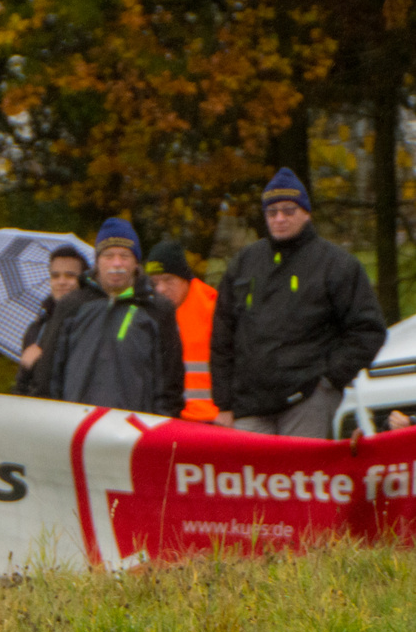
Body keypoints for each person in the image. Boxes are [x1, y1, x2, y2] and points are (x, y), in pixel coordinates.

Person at [209, 168, 387, 437]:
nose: (280, 219)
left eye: (289, 211)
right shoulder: (245, 262)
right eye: (272, 212)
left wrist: (328, 381)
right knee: (250, 477)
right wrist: (223, 402)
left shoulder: (336, 264)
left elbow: (367, 330)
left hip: (307, 401)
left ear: (306, 212)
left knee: (302, 478)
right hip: (249, 406)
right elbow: (223, 336)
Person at [49, 219, 184, 416]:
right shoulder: (72, 306)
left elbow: (170, 382)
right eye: (109, 255)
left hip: (134, 431)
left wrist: (159, 427)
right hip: (76, 425)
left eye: (124, 256)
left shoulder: (157, 309)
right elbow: (52, 373)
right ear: (97, 261)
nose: (117, 263)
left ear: (136, 261)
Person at [144, 241, 220, 423]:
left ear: (185, 278)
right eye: (155, 282)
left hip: (210, 420)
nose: (161, 288)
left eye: (168, 280)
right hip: (163, 418)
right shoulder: (146, 311)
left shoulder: (213, 309)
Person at [13, 245, 95, 396]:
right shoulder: (37, 330)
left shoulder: (93, 323)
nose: (61, 282)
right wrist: (25, 368)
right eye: (55, 276)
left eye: (70, 276)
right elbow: (22, 392)